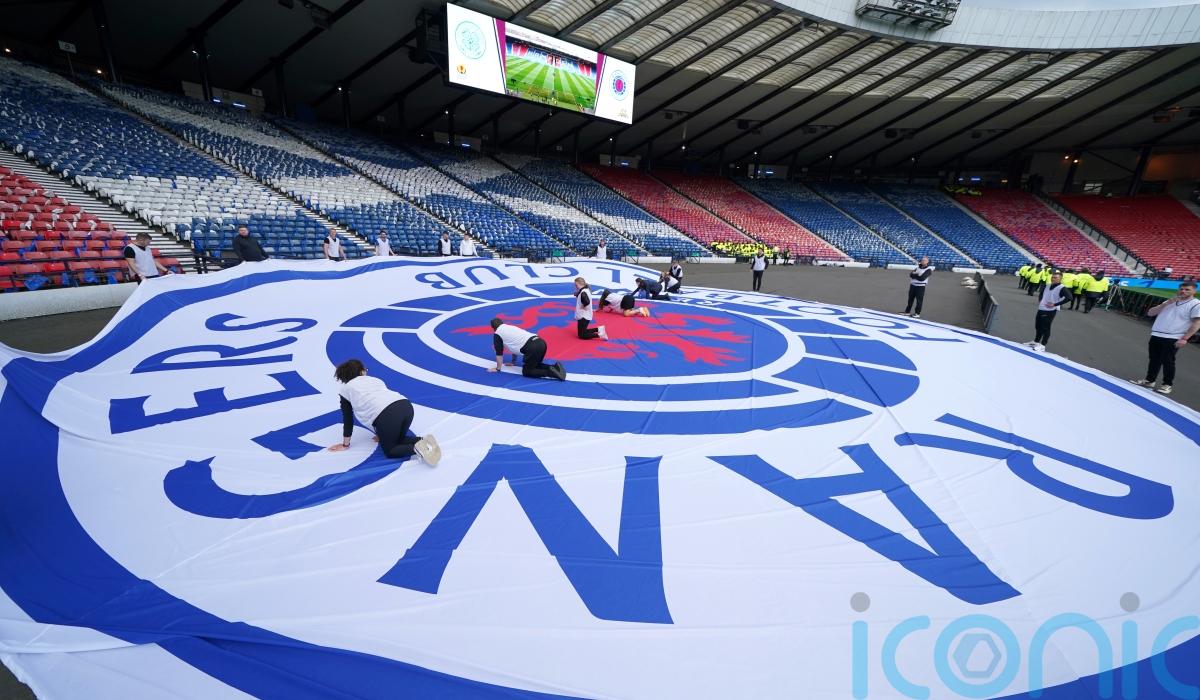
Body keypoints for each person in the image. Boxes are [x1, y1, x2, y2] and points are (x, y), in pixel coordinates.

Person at [329, 359, 440, 466]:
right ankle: (423, 441)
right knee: (397, 440)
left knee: (390, 450)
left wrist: (345, 445)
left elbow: (348, 419)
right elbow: (378, 401)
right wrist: (382, 433)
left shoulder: (345, 390)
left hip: (388, 415)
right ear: (362, 372)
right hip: (405, 405)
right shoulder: (375, 380)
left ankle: (420, 449)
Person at [1130, 281, 1199, 396]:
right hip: (1157, 334)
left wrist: (1185, 338)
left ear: (1194, 291)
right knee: (1154, 359)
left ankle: (1167, 384)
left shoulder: (1195, 304)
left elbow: (1197, 323)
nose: (1183, 291)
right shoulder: (1170, 301)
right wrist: (1165, 304)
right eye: (1181, 289)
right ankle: (1150, 380)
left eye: (1187, 289)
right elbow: (1150, 313)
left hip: (1174, 336)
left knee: (1168, 361)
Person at [490, 318, 566, 380]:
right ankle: (554, 367)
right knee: (535, 365)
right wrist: (513, 362)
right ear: (502, 323)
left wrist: (498, 368)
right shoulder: (510, 327)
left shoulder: (497, 334)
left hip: (532, 347)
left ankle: (551, 373)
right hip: (540, 342)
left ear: (493, 328)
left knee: (527, 371)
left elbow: (499, 353)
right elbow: (512, 344)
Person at [1027, 271, 1073, 351]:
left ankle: (1043, 345)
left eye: (1055, 278)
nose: (1053, 279)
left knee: (1045, 327)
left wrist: (1055, 304)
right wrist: (1041, 300)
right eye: (1052, 277)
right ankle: (1036, 341)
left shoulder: (1061, 288)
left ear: (1060, 279)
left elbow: (1069, 297)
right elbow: (1042, 293)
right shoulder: (1048, 285)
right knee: (1038, 326)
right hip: (1041, 308)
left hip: (1050, 310)